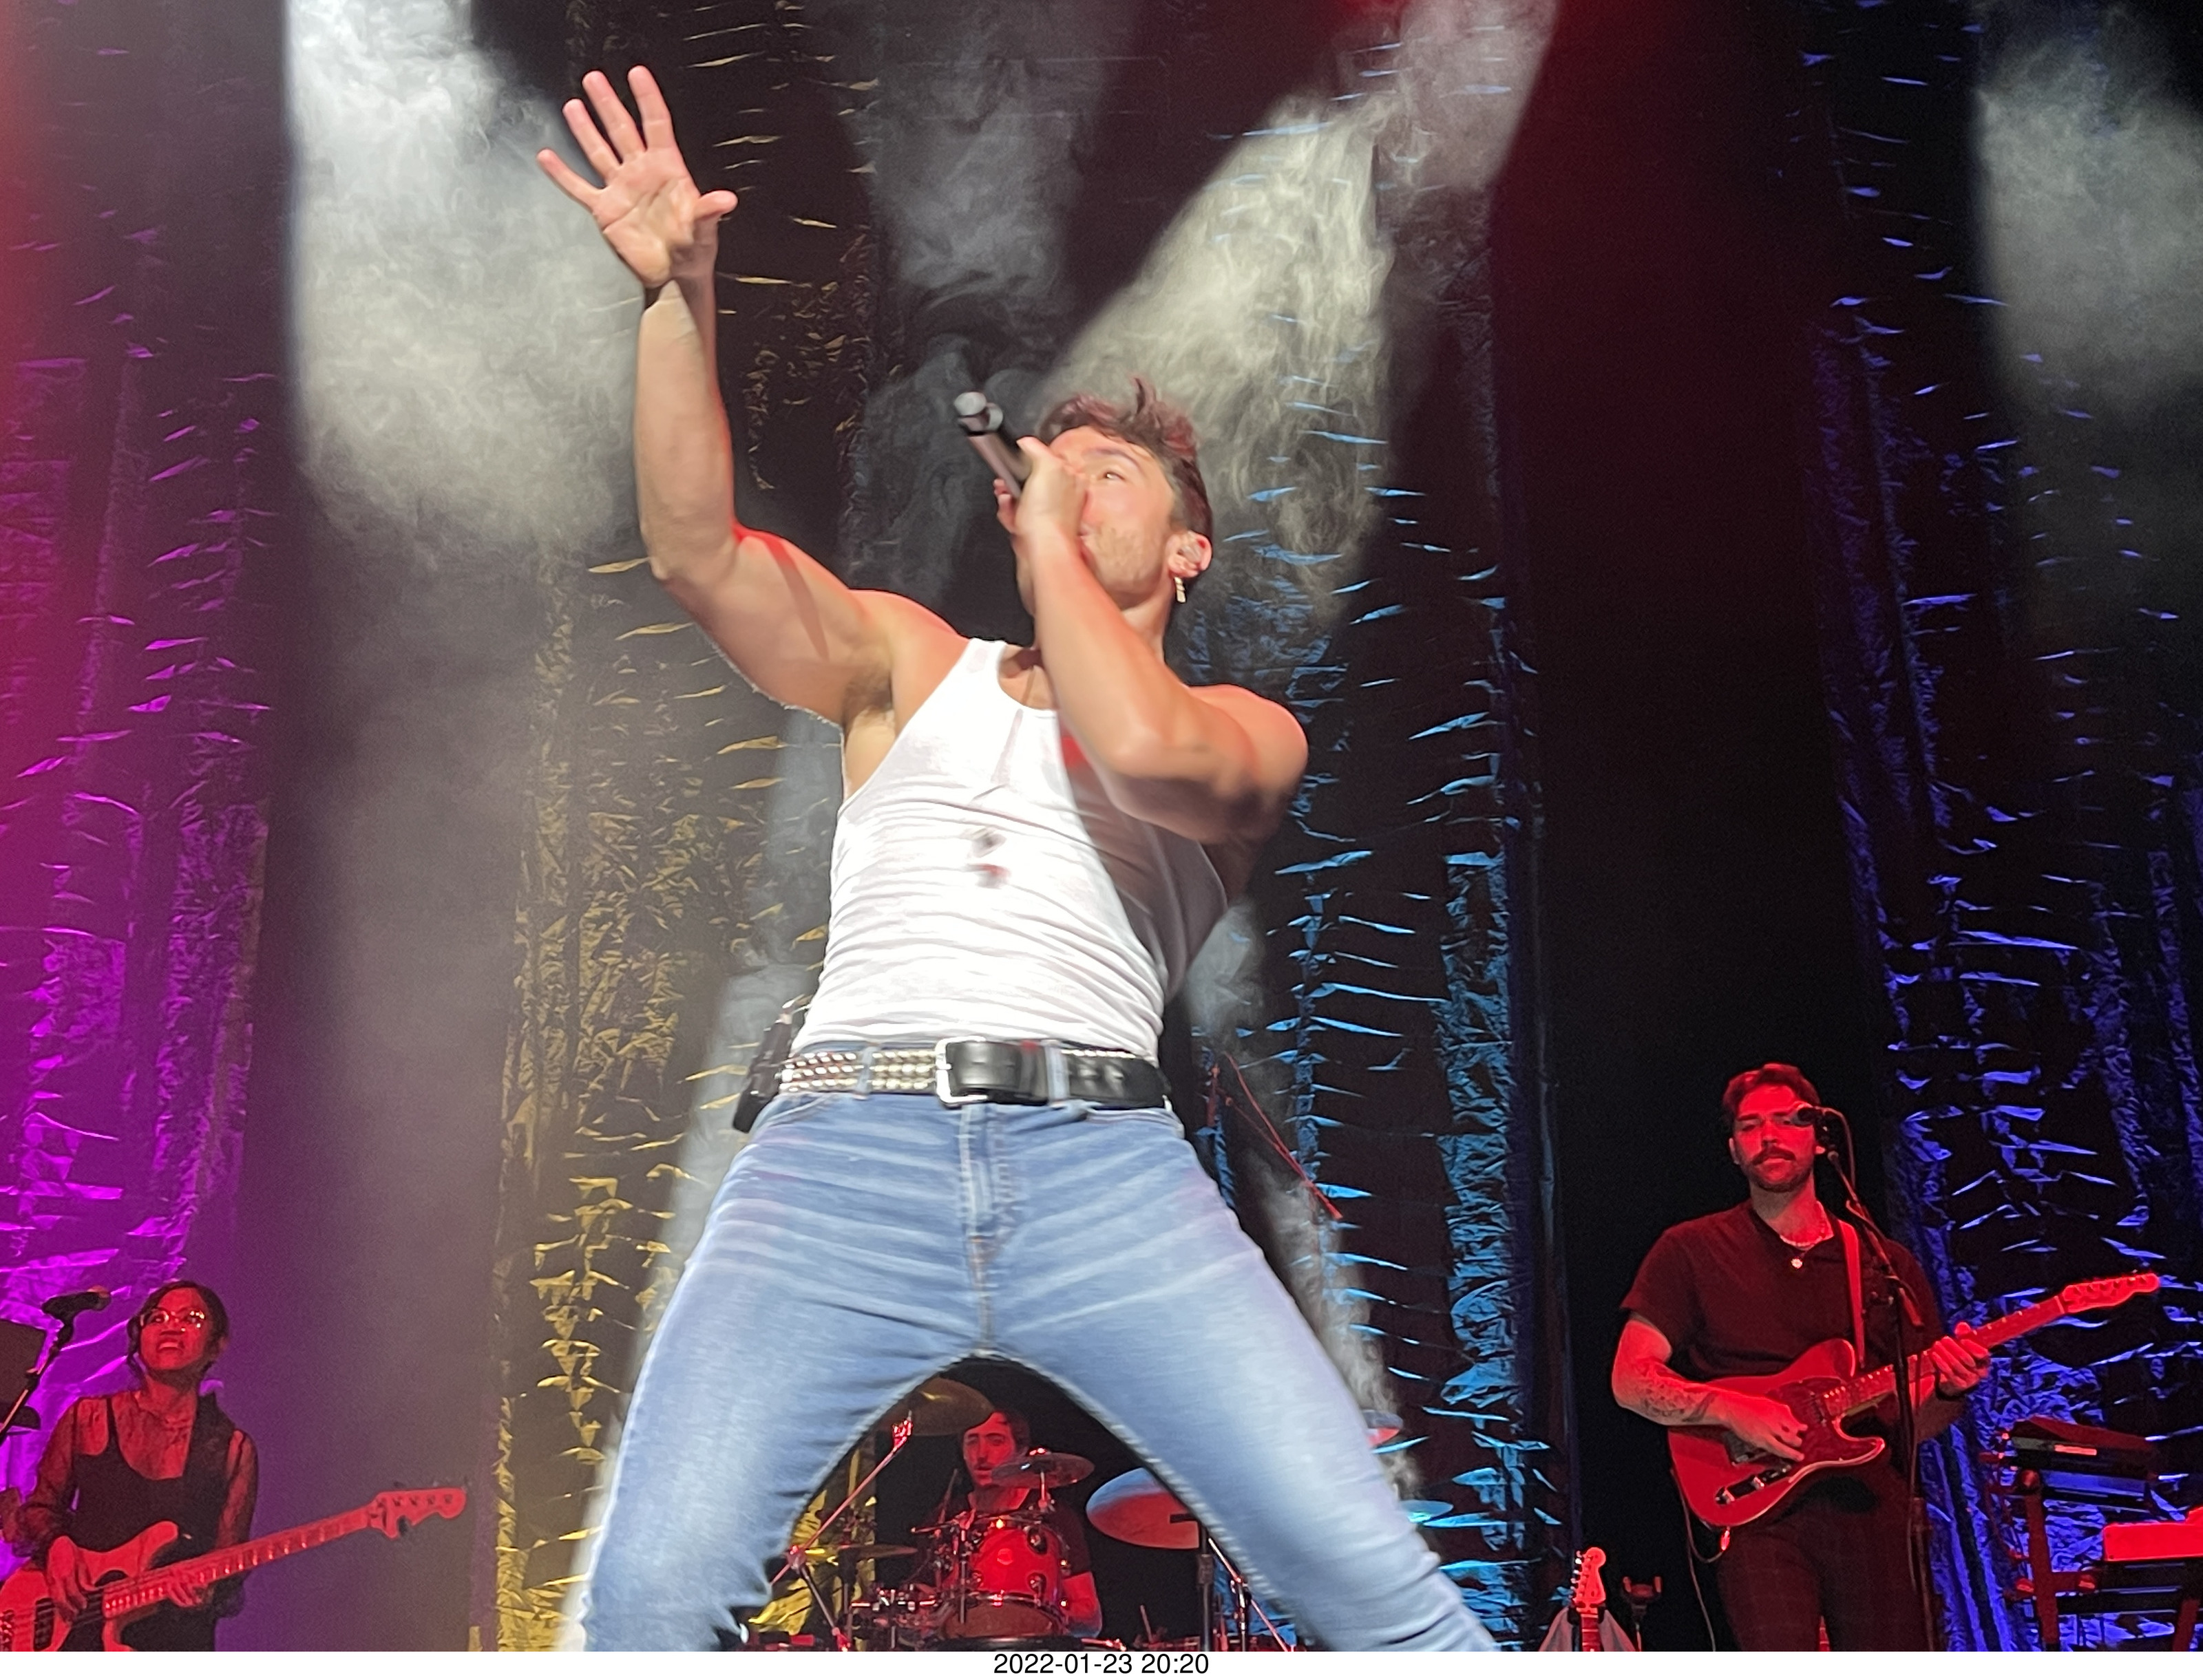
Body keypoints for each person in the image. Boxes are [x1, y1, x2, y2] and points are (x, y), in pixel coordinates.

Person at [536, 65, 1486, 1652]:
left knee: (1381, 1601)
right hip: (841, 1155)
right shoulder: (914, 662)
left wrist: (1045, 541)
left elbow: (1140, 747)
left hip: (1107, 1173)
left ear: (1188, 545)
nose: (1074, 480)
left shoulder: (1245, 727)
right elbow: (699, 553)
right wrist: (674, 302)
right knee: (644, 1604)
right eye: (1060, 462)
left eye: (1116, 474)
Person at [1610, 1064, 1990, 1650]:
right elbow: (1630, 1378)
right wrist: (1731, 1408)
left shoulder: (1881, 1262)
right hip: (1758, 1508)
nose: (1770, 1135)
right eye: (1751, 1125)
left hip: (1869, 1504)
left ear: (1818, 1138)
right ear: (1733, 1150)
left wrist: (1950, 1388)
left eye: (1789, 1120)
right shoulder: (1691, 1249)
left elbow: (1916, 1422)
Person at [10, 1281, 257, 1650]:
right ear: (139, 1336)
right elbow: (40, 1508)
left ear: (217, 1345)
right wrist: (57, 1545)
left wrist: (207, 1588)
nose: (171, 1327)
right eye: (157, 1318)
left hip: (170, 1641)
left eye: (191, 1318)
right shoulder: (88, 1417)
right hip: (73, 1628)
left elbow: (229, 1561)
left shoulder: (233, 1449)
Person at [927, 1408, 1102, 1640]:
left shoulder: (1054, 1517)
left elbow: (1090, 1620)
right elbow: (922, 1603)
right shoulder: (944, 1518)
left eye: (996, 1441)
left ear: (1021, 1451)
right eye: (972, 1441)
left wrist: (1044, 1615)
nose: (981, 1454)